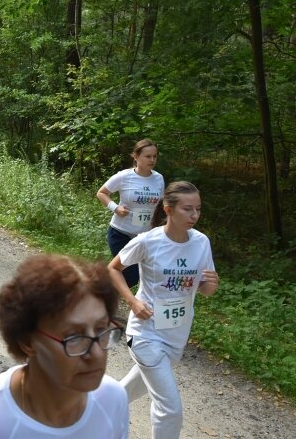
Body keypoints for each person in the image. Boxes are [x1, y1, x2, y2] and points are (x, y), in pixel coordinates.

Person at [0, 254, 128, 438]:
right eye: (73, 337)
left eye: (101, 330)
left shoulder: (112, 400)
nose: (97, 353)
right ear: (28, 342)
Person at [107, 181, 219, 439]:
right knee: (170, 408)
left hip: (176, 334)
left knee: (128, 391)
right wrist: (133, 302)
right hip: (146, 333)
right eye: (187, 209)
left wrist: (211, 285)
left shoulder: (201, 242)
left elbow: (204, 289)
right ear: (168, 209)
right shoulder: (148, 241)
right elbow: (113, 269)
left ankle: (92, 413)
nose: (194, 215)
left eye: (198, 209)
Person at [96, 138, 164, 288]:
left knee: (143, 275)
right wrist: (115, 208)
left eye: (155, 156)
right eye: (148, 156)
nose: (152, 160)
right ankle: (102, 288)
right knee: (130, 276)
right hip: (121, 233)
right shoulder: (124, 176)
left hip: (145, 236)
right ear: (136, 156)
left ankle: (104, 285)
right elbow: (101, 193)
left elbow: (160, 205)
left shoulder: (158, 179)